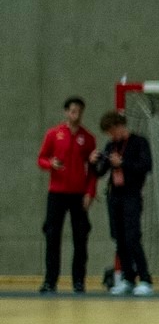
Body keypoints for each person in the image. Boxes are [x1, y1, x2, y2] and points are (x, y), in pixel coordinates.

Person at [91, 111, 154, 295]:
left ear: (120, 126)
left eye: (112, 131)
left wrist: (122, 163)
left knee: (132, 237)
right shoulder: (112, 145)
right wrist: (94, 163)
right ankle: (128, 278)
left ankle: (145, 279)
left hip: (131, 195)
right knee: (119, 238)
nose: (111, 136)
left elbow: (146, 166)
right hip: (115, 195)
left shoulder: (139, 142)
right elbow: (102, 172)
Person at [38, 96, 97, 294]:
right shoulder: (53, 134)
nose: (76, 115)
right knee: (52, 237)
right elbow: (41, 159)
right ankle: (50, 281)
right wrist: (50, 164)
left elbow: (93, 170)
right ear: (66, 112)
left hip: (78, 195)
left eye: (79, 111)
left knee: (80, 239)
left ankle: (79, 281)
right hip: (56, 194)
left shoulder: (88, 138)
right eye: (73, 111)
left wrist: (90, 192)